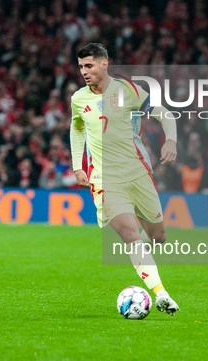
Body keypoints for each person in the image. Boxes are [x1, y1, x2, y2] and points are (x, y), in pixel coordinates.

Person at [69, 43, 180, 316]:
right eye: (81, 66)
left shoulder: (126, 90)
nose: (84, 71)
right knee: (130, 235)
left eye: (89, 65)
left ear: (104, 63)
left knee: (159, 236)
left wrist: (171, 140)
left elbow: (163, 113)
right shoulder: (79, 99)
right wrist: (77, 166)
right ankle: (161, 293)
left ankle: (143, 258)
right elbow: (77, 127)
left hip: (138, 173)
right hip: (105, 180)